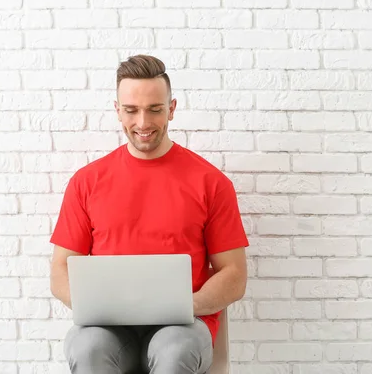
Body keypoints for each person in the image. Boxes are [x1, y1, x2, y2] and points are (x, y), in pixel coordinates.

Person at [49, 54, 249, 374]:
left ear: (171, 108)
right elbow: (60, 270)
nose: (143, 123)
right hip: (110, 330)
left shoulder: (211, 183)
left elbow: (234, 275)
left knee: (174, 351)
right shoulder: (86, 183)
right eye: (131, 110)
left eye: (155, 109)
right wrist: (94, 307)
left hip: (182, 326)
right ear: (117, 110)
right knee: (86, 348)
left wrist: (185, 306)